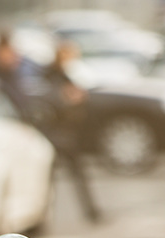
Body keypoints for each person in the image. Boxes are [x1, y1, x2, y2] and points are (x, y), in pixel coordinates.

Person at [43, 40, 102, 223]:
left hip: (68, 134)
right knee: (47, 179)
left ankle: (92, 212)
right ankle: (43, 217)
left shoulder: (70, 75)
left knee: (78, 175)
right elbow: (51, 100)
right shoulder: (51, 77)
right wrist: (67, 98)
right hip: (55, 133)